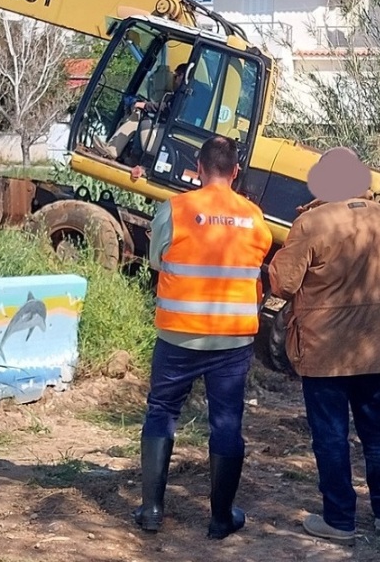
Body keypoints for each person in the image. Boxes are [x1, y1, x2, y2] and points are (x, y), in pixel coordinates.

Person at [267, 146, 380, 543]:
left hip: (325, 349)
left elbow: (283, 283)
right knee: (378, 431)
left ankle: (340, 519)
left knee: (331, 435)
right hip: (379, 347)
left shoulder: (312, 223)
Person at [132, 135, 273, 540]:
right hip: (231, 341)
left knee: (161, 411)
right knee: (226, 422)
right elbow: (256, 263)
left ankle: (152, 511)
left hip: (178, 336)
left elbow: (157, 258)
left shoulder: (176, 208)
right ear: (235, 171)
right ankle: (220, 518)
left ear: (198, 166)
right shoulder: (254, 217)